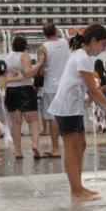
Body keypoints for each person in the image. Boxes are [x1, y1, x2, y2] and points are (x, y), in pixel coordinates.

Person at [48, 24, 106, 200]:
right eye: (103, 45)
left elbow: (89, 91)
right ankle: (76, 191)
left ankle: (78, 186)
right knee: (72, 148)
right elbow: (94, 90)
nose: (103, 50)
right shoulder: (83, 59)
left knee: (80, 145)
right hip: (66, 107)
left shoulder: (82, 56)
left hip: (72, 106)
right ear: (93, 40)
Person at [6, 35, 49, 160]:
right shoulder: (24, 56)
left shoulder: (8, 56)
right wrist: (40, 62)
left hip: (11, 90)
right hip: (24, 89)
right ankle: (35, 145)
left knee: (15, 122)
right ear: (25, 46)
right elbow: (29, 73)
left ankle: (18, 151)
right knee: (33, 120)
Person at [37, 21, 71, 157]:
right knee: (67, 116)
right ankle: (69, 147)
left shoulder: (43, 48)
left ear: (44, 34)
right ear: (56, 30)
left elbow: (40, 71)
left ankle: (56, 148)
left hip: (51, 86)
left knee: (52, 118)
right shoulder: (65, 42)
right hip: (66, 85)